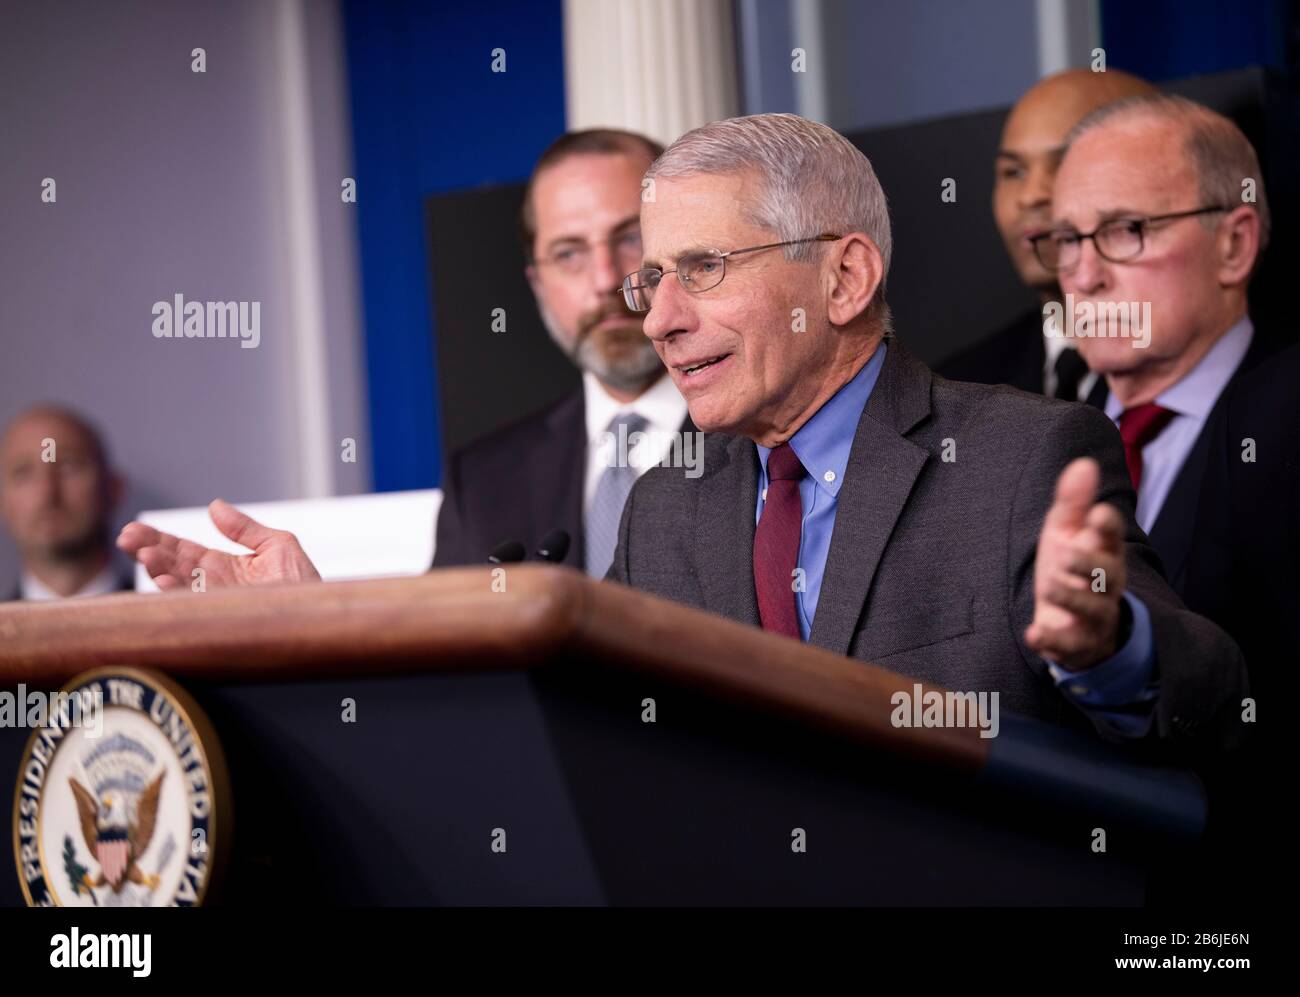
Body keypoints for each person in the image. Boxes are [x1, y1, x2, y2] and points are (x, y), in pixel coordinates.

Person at [117, 114, 1248, 758]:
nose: (653, 315)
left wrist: (1106, 647)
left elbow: (1217, 697)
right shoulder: (670, 505)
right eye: (653, 280)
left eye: (700, 270)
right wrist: (326, 624)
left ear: (844, 275)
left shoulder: (1024, 458)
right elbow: (557, 731)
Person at [1042, 94, 1276, 597]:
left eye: (1127, 230)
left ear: (1233, 246)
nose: (1084, 277)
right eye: (1066, 239)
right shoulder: (1031, 440)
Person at [432, 129, 692, 576]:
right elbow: (440, 638)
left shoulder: (766, 436)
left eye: (631, 238)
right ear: (538, 284)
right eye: (569, 253)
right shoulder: (481, 482)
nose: (604, 280)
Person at [940, 68, 1155, 402]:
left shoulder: (1220, 376)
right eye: (1014, 172)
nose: (1031, 196)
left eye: (1067, 162)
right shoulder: (957, 392)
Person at [1, 405, 132, 600]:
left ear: (114, 489)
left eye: (69, 465)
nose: (47, 492)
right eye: (23, 472)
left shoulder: (173, 623)